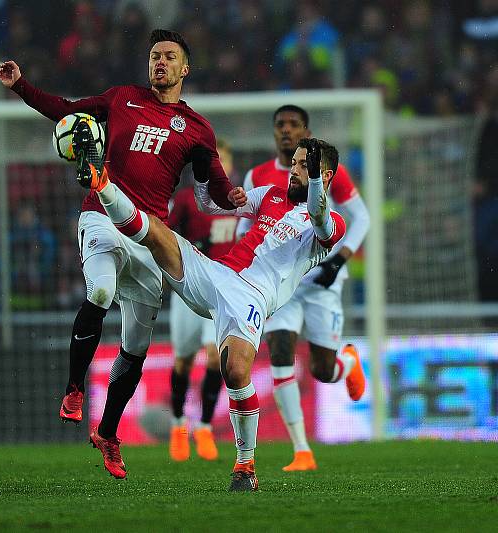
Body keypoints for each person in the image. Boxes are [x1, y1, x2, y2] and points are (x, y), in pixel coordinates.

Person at [0, 29, 234, 480]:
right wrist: (22, 87)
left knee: (135, 347)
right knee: (100, 290)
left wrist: (233, 196)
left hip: (149, 238)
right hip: (102, 214)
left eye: (169, 57)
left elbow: (213, 185)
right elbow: (65, 111)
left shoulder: (197, 128)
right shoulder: (121, 98)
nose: (159, 62)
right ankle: (72, 389)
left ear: (185, 69)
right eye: (154, 56)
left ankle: (107, 433)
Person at [76, 129, 364, 491]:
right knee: (157, 233)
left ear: (324, 176)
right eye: (293, 163)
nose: (293, 171)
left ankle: (245, 465)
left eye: (305, 167)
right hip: (215, 273)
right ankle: (102, 183)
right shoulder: (272, 195)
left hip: (252, 298)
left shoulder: (330, 223)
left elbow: (321, 219)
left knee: (236, 371)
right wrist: (203, 179)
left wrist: (316, 183)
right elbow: (213, 206)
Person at [236, 105, 371, 471]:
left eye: (294, 125)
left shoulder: (327, 173)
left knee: (322, 369)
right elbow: (245, 226)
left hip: (322, 280)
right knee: (280, 352)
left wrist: (339, 260)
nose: (286, 131)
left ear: (306, 131)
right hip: (282, 285)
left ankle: (347, 363)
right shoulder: (258, 175)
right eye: (280, 124)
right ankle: (301, 449)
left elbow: (362, 218)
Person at [166, 139, 238, 462]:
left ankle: (205, 427)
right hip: (188, 288)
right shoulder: (186, 199)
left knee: (215, 358)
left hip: (222, 292)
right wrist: (194, 243)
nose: (218, 165)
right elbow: (166, 235)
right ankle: (179, 424)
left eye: (223, 159)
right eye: (214, 160)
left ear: (231, 166)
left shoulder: (241, 202)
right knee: (183, 360)